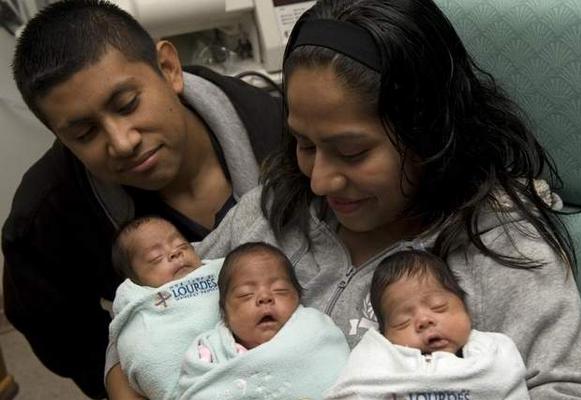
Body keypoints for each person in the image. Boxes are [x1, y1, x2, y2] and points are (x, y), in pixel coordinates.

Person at [190, 0, 581, 398]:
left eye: (352, 153)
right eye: (305, 144)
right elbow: (157, 300)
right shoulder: (275, 209)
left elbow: (566, 390)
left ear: (428, 135)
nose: (318, 181)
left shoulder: (501, 250)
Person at [1, 0, 282, 397]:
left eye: (127, 105)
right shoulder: (45, 221)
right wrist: (129, 373)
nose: (122, 142)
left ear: (169, 69)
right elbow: (58, 333)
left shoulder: (283, 134)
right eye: (84, 134)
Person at [325, 250, 530, 399]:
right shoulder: (377, 357)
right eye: (402, 321)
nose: (424, 321)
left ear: (466, 309)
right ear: (384, 334)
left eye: (438, 307)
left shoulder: (493, 352)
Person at [176, 241, 350, 399]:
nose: (265, 297)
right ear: (224, 313)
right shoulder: (208, 352)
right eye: (246, 294)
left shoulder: (316, 331)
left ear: (298, 299)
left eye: (280, 290)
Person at [109, 216, 224, 400]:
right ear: (135, 282)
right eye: (156, 258)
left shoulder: (218, 270)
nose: (175, 253)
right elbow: (143, 350)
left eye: (182, 245)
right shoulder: (140, 305)